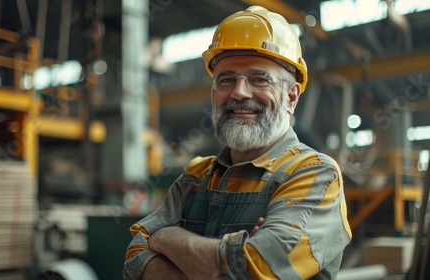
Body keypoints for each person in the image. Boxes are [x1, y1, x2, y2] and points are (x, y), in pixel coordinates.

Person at [123, 5, 352, 280]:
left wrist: (165, 236)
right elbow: (134, 256)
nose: (239, 92)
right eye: (226, 79)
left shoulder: (314, 174)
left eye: (259, 79)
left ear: (291, 97)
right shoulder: (196, 177)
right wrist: (224, 260)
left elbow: (254, 271)